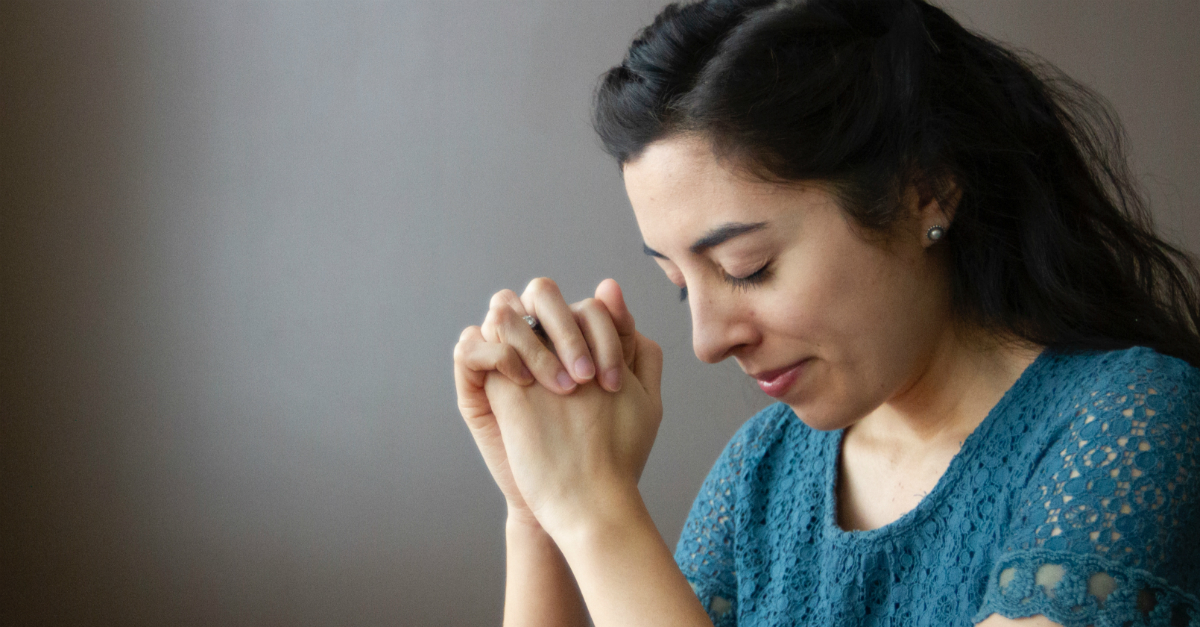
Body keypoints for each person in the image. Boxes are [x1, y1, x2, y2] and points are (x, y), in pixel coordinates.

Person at [452, 0, 1200, 625]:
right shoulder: (764, 470)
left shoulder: (1135, 422)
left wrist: (599, 513)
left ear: (925, 190)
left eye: (748, 267)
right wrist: (541, 512)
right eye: (680, 284)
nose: (707, 340)